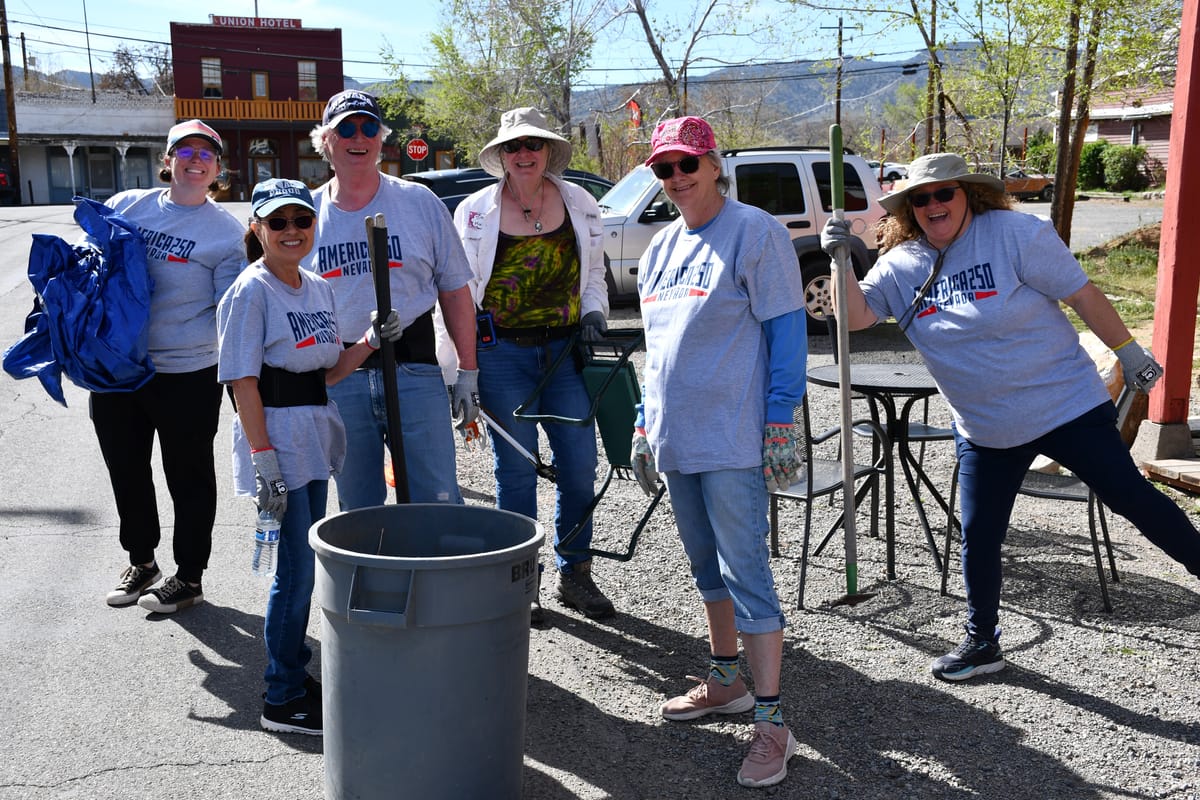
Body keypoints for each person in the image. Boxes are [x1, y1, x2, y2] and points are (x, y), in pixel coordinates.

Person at [821, 152, 1200, 681]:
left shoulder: (1015, 235)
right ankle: (983, 643)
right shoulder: (901, 263)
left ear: (968, 194)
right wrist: (842, 261)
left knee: (1132, 500)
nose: (933, 204)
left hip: (1064, 406)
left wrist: (1129, 351)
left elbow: (1082, 294)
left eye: (944, 193)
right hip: (985, 427)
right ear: (908, 209)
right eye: (921, 198)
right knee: (979, 533)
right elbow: (856, 318)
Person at [630, 116, 807, 789]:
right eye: (663, 169)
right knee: (705, 567)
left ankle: (772, 724)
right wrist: (645, 425)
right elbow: (658, 354)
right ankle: (726, 682)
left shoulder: (755, 232)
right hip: (679, 438)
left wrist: (779, 421)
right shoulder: (658, 250)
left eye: (687, 165)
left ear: (713, 164)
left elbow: (787, 333)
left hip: (734, 438)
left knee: (746, 574)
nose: (676, 179)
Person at [217, 178, 402, 736]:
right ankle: (282, 695)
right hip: (278, 441)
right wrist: (263, 456)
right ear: (258, 229)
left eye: (301, 220)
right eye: (278, 223)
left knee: (303, 566)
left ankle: (294, 672)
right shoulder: (252, 291)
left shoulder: (317, 287)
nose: (292, 231)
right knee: (294, 574)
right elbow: (242, 382)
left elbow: (326, 372)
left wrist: (369, 340)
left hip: (313, 437)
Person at [452, 107, 613, 620]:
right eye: (513, 148)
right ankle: (521, 581)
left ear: (548, 153)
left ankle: (575, 573)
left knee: (580, 464)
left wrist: (593, 313)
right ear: (501, 156)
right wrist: (463, 368)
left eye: (533, 146)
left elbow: (594, 275)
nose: (523, 155)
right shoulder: (475, 212)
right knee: (516, 471)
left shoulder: (580, 202)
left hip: (566, 352)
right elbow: (457, 294)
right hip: (500, 353)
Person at [95, 119, 246, 614]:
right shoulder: (126, 206)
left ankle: (189, 576)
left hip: (188, 371)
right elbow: (89, 269)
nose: (195, 159)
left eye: (207, 154)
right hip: (119, 369)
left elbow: (230, 308)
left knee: (188, 474)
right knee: (127, 469)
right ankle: (143, 562)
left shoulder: (225, 233)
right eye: (185, 150)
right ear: (167, 160)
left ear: (218, 169)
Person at [303, 90, 477, 507]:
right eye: (345, 128)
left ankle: (436, 573)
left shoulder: (419, 203)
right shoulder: (305, 216)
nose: (357, 137)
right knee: (357, 512)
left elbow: (455, 291)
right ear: (325, 140)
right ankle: (375, 576)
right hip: (343, 378)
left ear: (381, 139)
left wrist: (468, 372)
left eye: (368, 127)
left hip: (414, 371)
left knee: (436, 503)